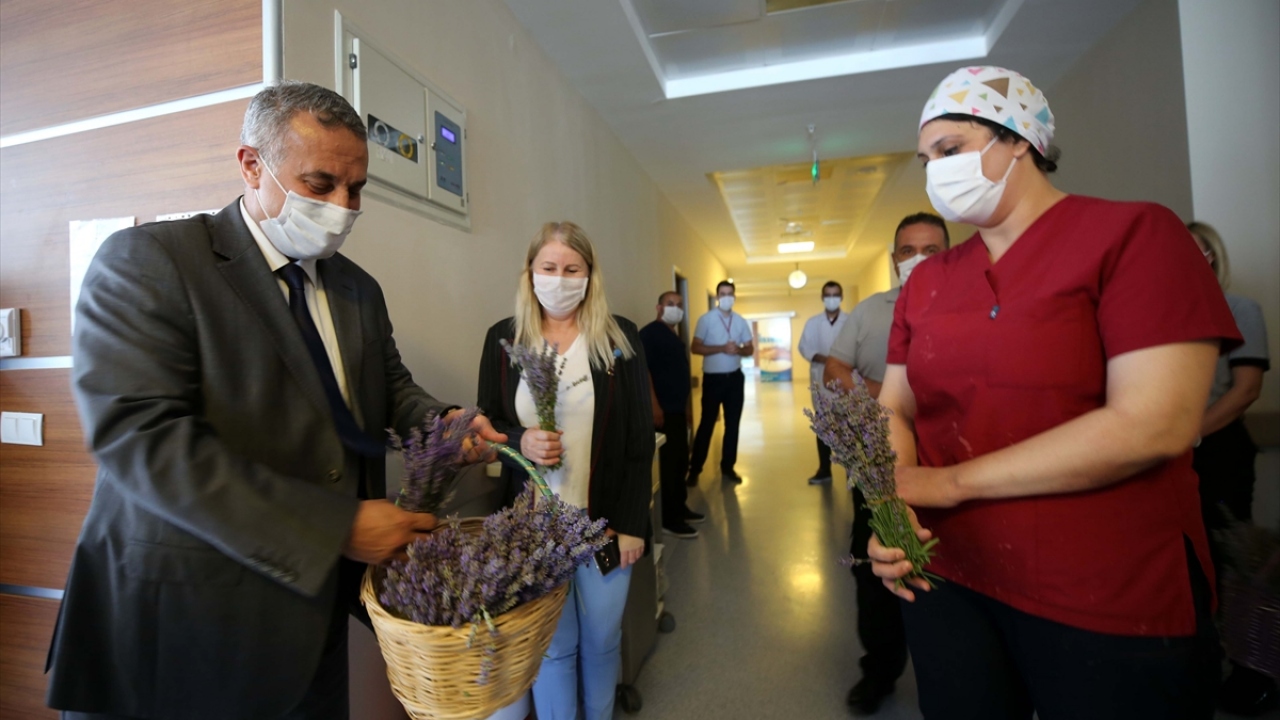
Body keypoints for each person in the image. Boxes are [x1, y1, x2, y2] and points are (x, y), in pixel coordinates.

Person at [46, 81, 504, 720]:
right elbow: (141, 439)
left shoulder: (357, 289)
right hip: (181, 626)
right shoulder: (152, 262)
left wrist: (444, 423)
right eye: (320, 185)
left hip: (309, 624)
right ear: (251, 165)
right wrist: (335, 526)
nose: (343, 207)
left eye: (357, 189)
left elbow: (387, 386)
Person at [868, 66, 1241, 720]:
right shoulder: (926, 285)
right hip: (948, 575)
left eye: (950, 150)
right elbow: (895, 405)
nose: (935, 173)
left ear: (1018, 139)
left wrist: (947, 484)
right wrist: (894, 510)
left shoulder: (1135, 237)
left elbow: (1154, 423)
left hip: (1105, 594)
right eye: (926, 159)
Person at [477, 221, 654, 720]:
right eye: (549, 268)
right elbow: (485, 426)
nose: (560, 279)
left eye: (572, 269)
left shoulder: (619, 338)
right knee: (553, 648)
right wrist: (520, 441)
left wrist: (631, 525)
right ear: (530, 274)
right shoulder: (503, 339)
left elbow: (639, 441)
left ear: (589, 275)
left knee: (601, 642)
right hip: (533, 530)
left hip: (605, 526)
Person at [822, 212, 948, 715]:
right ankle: (880, 670)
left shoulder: (972, 304)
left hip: (952, 470)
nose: (916, 260)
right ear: (894, 256)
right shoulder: (872, 312)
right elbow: (835, 368)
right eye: (907, 250)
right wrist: (888, 398)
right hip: (879, 466)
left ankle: (950, 669)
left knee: (945, 567)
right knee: (875, 568)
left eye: (931, 250)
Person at [1187, 220, 1275, 715]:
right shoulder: (1162, 313)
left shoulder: (1241, 310)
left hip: (1220, 452)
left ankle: (1250, 668)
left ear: (1216, 258)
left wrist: (1191, 432)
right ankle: (1200, 661)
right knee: (1186, 564)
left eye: (1204, 252)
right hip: (1170, 456)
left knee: (1232, 559)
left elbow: (1245, 390)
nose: (1195, 259)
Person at [640, 291, 706, 539]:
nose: (676, 308)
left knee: (680, 462)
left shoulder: (674, 336)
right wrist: (655, 406)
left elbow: (679, 373)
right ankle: (671, 519)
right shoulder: (649, 334)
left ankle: (681, 507)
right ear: (659, 307)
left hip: (677, 409)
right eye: (670, 304)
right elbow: (643, 372)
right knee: (669, 464)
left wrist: (688, 407)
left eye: (679, 305)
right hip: (663, 411)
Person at [688, 280, 754, 484]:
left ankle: (728, 467)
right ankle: (695, 470)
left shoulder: (741, 321)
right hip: (713, 379)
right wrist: (721, 348)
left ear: (734, 297)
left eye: (730, 294)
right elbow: (695, 347)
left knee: (732, 425)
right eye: (723, 294)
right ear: (717, 297)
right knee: (707, 424)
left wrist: (739, 350)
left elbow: (750, 349)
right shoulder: (706, 320)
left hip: (735, 378)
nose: (727, 297)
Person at [797, 281, 850, 485]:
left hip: (845, 380)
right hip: (820, 379)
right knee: (823, 426)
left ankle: (850, 472)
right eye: (827, 295)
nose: (831, 298)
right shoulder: (812, 322)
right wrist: (824, 359)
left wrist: (839, 362)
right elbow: (804, 347)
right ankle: (824, 470)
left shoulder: (850, 321)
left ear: (841, 297)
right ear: (822, 298)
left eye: (835, 294)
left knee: (847, 426)